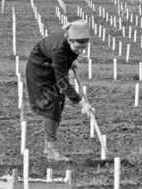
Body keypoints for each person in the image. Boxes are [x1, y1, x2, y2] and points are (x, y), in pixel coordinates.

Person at [24, 19, 93, 162]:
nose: (79, 51)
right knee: (52, 103)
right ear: (70, 40)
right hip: (40, 68)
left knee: (59, 101)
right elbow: (62, 81)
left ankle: (49, 146)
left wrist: (71, 60)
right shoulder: (60, 50)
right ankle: (50, 150)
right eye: (77, 48)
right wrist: (80, 102)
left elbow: (67, 56)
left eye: (83, 48)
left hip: (53, 63)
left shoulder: (71, 40)